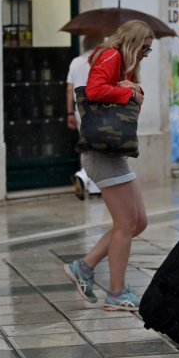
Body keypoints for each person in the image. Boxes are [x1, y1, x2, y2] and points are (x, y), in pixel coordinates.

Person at [63, 20, 154, 311]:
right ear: (134, 43)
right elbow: (94, 90)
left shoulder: (119, 62)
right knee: (127, 224)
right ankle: (116, 292)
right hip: (102, 153)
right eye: (145, 49)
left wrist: (128, 86)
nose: (146, 55)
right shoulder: (112, 55)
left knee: (138, 222)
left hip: (113, 153)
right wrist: (126, 91)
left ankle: (84, 267)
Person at [67, 34, 104, 200]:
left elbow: (69, 89)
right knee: (99, 148)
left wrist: (69, 113)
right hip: (97, 109)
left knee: (88, 147)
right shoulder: (101, 61)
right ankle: (83, 177)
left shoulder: (75, 62)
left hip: (79, 109)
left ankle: (94, 187)